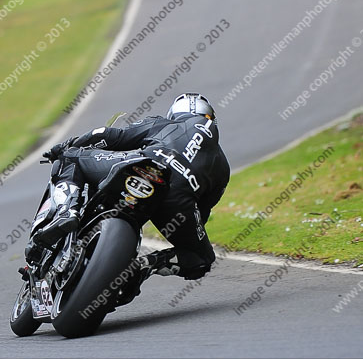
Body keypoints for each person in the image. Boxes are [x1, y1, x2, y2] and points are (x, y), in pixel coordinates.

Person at [29, 93, 230, 296]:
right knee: (201, 258)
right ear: (211, 117)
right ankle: (143, 266)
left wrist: (65, 146)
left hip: (141, 166)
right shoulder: (222, 166)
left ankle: (67, 212)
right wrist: (185, 231)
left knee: (70, 157)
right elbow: (202, 211)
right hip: (177, 200)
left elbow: (109, 136)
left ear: (174, 113)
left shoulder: (162, 123)